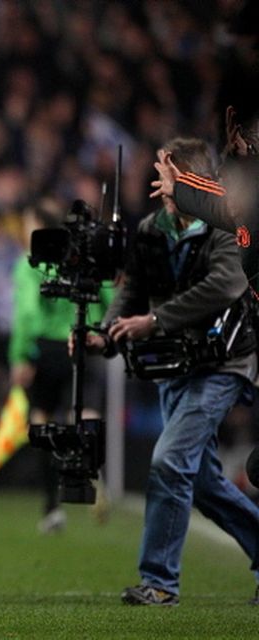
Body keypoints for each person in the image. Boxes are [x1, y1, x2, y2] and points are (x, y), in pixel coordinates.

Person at [85, 137, 259, 606]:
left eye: (164, 172)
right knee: (201, 482)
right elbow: (132, 290)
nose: (155, 182)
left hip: (223, 362)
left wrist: (156, 320)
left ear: (186, 178)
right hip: (173, 366)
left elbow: (228, 282)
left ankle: (159, 582)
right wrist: (104, 332)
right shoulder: (151, 227)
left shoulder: (227, 225)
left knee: (168, 461)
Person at [149, 95, 259, 487]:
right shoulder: (244, 214)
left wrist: (181, 185)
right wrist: (181, 188)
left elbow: (223, 202)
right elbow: (221, 204)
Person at [10, 198, 114, 534]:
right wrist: (106, 331)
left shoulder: (30, 263)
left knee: (42, 421)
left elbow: (26, 313)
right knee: (85, 413)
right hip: (85, 341)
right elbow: (111, 298)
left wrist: (20, 356)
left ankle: (52, 508)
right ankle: (94, 473)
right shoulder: (87, 259)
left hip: (46, 349)